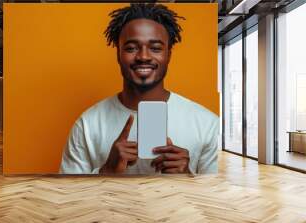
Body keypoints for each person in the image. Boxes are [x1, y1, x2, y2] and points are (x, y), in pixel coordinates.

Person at [59, 3, 219, 174]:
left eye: (155, 48)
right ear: (118, 54)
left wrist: (188, 176)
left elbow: (223, 198)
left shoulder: (207, 124)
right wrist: (106, 172)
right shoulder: (87, 125)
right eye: (131, 48)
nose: (143, 56)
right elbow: (69, 196)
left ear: (168, 55)